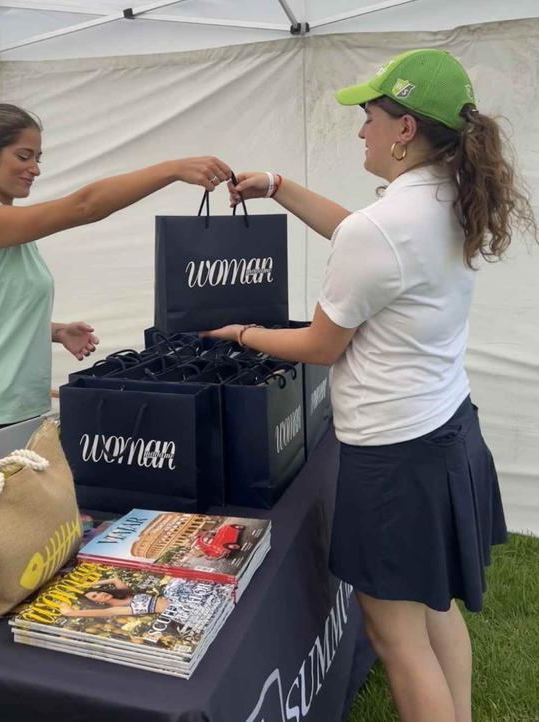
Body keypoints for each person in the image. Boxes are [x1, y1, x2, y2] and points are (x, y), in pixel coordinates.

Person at [203, 49, 536, 722]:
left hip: (393, 459)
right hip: (447, 432)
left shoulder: (382, 228)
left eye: (370, 116)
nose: (361, 130)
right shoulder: (449, 195)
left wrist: (240, 333)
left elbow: (321, 345)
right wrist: (277, 185)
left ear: (404, 129)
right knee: (433, 606)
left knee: (396, 637)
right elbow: (358, 237)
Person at [0, 103, 231, 447]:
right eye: (24, 156)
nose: (35, 169)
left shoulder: (9, 228)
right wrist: (171, 169)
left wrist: (55, 330)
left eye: (38, 159)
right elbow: (84, 206)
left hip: (14, 409)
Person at [58, 575, 224, 628]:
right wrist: (71, 612)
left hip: (179, 597)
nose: (100, 594)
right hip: (182, 609)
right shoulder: (119, 609)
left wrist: (92, 585)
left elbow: (115, 579)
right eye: (95, 597)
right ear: (98, 603)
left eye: (98, 593)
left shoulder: (125, 594)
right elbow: (99, 612)